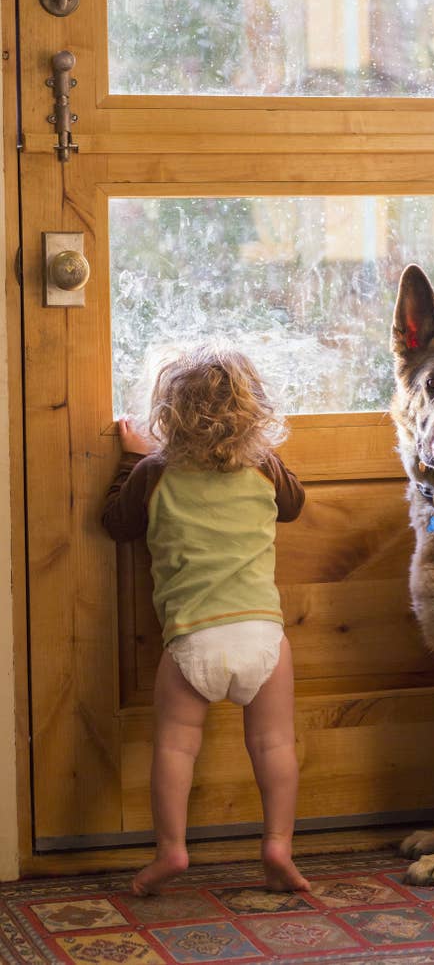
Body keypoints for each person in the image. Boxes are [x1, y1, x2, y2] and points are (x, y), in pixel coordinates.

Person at [102, 342, 310, 896]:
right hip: (263, 633)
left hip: (192, 638)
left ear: (166, 415)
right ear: (255, 414)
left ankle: (171, 850)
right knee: (274, 745)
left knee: (174, 746)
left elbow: (115, 523)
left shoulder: (153, 472)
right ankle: (277, 845)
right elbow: (295, 506)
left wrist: (131, 455)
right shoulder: (265, 468)